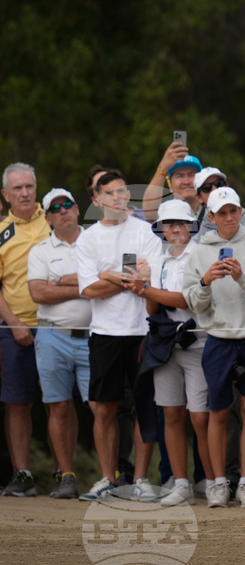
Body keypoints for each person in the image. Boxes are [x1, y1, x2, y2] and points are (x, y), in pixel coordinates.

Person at [182, 186, 245, 509]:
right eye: (221, 213)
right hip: (219, 340)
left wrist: (243, 278)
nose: (228, 217)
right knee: (219, 411)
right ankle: (218, 483)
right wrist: (205, 281)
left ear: (240, 211)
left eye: (233, 211)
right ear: (210, 217)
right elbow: (193, 302)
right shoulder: (199, 252)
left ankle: (244, 485)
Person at [76, 169, 162, 502]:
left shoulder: (145, 232)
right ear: (97, 200)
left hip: (142, 330)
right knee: (105, 409)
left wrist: (106, 274)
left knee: (144, 407)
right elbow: (89, 290)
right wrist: (122, 276)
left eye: (123, 191)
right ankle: (108, 479)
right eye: (111, 193)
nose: (119, 197)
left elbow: (147, 282)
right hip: (105, 333)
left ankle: (140, 479)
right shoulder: (88, 238)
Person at [132, 200, 215, 507]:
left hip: (198, 341)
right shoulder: (161, 260)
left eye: (181, 223)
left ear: (191, 226)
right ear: (163, 229)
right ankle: (181, 482)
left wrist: (145, 288)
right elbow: (153, 308)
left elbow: (187, 300)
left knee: (200, 416)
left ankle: (212, 479)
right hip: (167, 345)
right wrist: (145, 284)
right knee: (170, 413)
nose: (176, 229)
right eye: (170, 224)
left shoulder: (200, 255)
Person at [26, 188, 92, 499]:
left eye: (68, 205)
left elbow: (108, 281)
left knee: (101, 407)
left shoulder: (95, 241)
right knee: (59, 407)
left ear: (78, 210)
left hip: (95, 335)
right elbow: (38, 294)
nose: (64, 210)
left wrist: (58, 281)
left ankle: (112, 475)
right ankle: (66, 475)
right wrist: (82, 284)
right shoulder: (40, 250)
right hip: (52, 335)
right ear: (49, 217)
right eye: (56, 208)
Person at [0, 163, 49, 497]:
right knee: (17, 403)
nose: (25, 193)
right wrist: (15, 324)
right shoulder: (1, 231)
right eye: (17, 188)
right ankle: (23, 475)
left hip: (59, 326)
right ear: (6, 195)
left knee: (60, 403)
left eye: (29, 186)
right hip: (14, 327)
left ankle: (66, 473)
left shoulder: (56, 219)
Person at [140, 139, 202, 221]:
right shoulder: (165, 211)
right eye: (179, 176)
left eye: (192, 175)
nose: (186, 181)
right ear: (170, 185)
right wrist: (163, 168)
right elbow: (149, 213)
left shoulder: (214, 210)